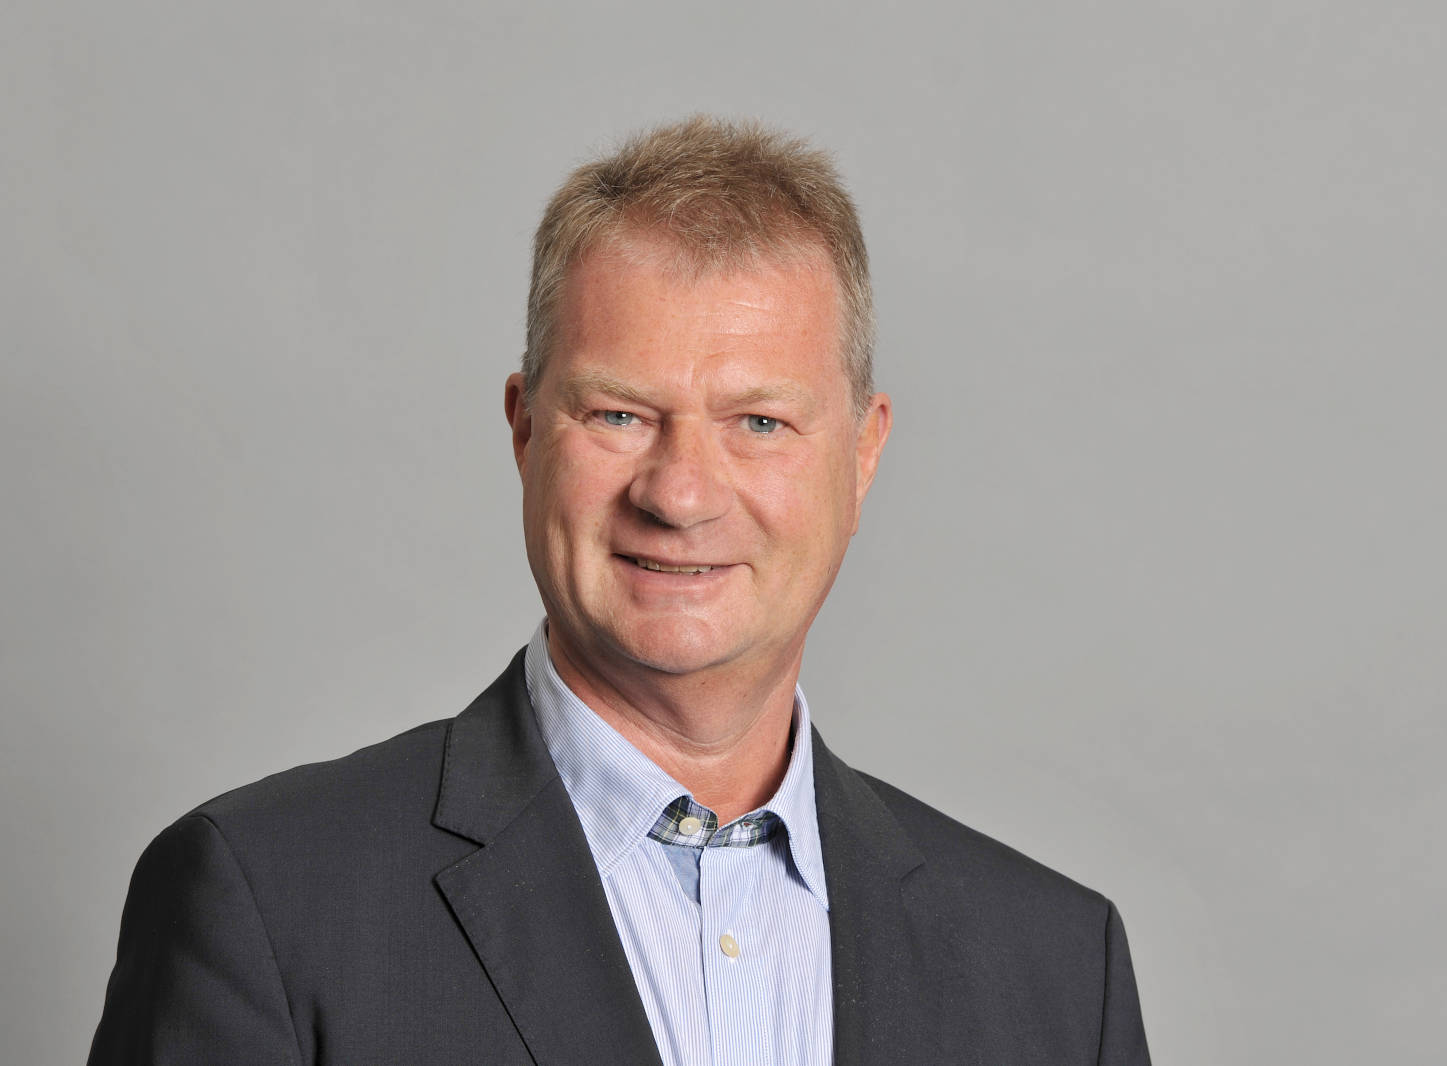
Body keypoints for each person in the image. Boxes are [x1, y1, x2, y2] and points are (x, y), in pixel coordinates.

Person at [89, 116, 1152, 1065]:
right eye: (619, 415)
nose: (680, 494)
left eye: (760, 422)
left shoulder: (1060, 972)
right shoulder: (270, 904)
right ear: (525, 430)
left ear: (863, 455)